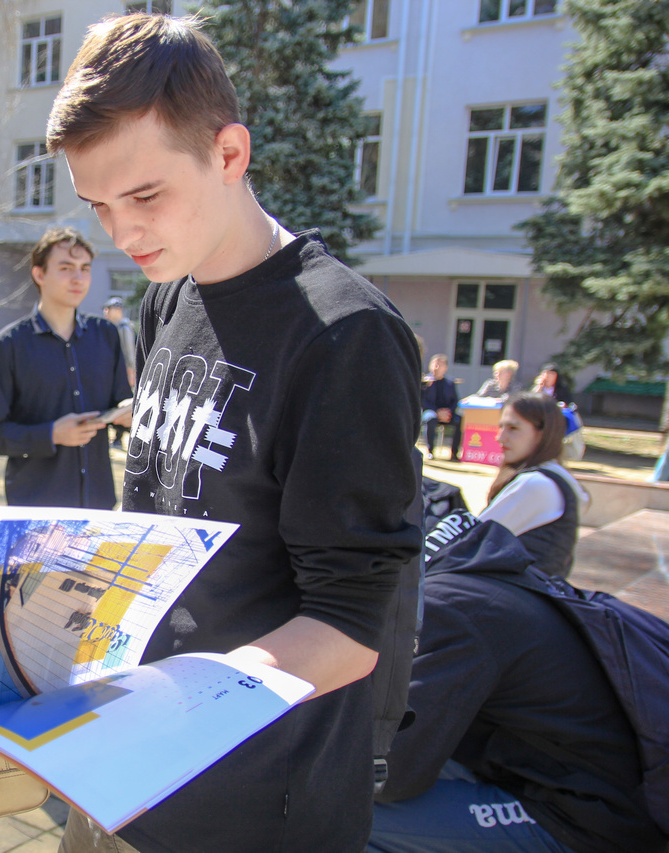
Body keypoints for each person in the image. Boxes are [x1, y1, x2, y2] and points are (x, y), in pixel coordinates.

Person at [46, 14, 421, 852]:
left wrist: (165, 708)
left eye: (144, 196)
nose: (123, 234)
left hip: (253, 802)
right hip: (123, 771)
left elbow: (352, 629)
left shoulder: (343, 336)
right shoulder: (168, 297)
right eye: (100, 205)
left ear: (229, 153)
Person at [370, 516, 668, 853]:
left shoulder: (451, 609)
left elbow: (393, 773)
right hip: (598, 790)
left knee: (333, 812)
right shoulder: (482, 572)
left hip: (585, 820)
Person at [0, 226, 132, 508]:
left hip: (98, 503)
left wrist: (128, 411)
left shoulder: (106, 335)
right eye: (66, 267)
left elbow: (121, 397)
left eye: (85, 268)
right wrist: (50, 435)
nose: (78, 278)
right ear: (39, 274)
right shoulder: (7, 346)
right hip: (37, 507)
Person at [476, 392, 588, 579]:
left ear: (542, 434)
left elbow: (470, 541)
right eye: (501, 427)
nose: (500, 437)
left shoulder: (536, 485)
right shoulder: (555, 477)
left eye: (513, 428)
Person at [102, 296, 136, 449]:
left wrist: (131, 372)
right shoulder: (110, 327)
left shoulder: (124, 327)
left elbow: (129, 352)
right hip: (112, 371)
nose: (106, 312)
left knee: (122, 405)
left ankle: (119, 438)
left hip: (124, 372)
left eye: (108, 309)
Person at [421, 354, 462, 461]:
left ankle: (454, 453)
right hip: (430, 411)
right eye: (435, 364)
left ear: (446, 368)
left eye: (440, 365)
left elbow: (455, 401)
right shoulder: (425, 382)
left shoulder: (450, 383)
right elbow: (422, 401)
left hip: (447, 413)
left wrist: (448, 412)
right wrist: (437, 412)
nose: (437, 367)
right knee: (431, 418)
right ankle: (431, 451)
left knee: (460, 419)